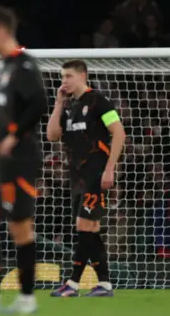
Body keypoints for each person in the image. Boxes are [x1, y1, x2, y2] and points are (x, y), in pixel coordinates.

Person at [0, 6, 47, 314]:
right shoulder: (6, 67)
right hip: (1, 162)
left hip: (21, 160)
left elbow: (39, 102)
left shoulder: (24, 65)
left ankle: (27, 299)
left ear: (0, 30)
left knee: (20, 228)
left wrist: (14, 136)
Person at [47, 60, 125, 297]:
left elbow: (119, 132)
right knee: (89, 229)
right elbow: (52, 135)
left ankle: (72, 284)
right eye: (62, 77)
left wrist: (110, 168)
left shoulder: (98, 101)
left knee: (83, 226)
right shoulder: (71, 106)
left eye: (69, 76)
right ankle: (104, 284)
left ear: (83, 76)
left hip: (96, 173)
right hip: (77, 177)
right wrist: (59, 103)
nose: (64, 81)